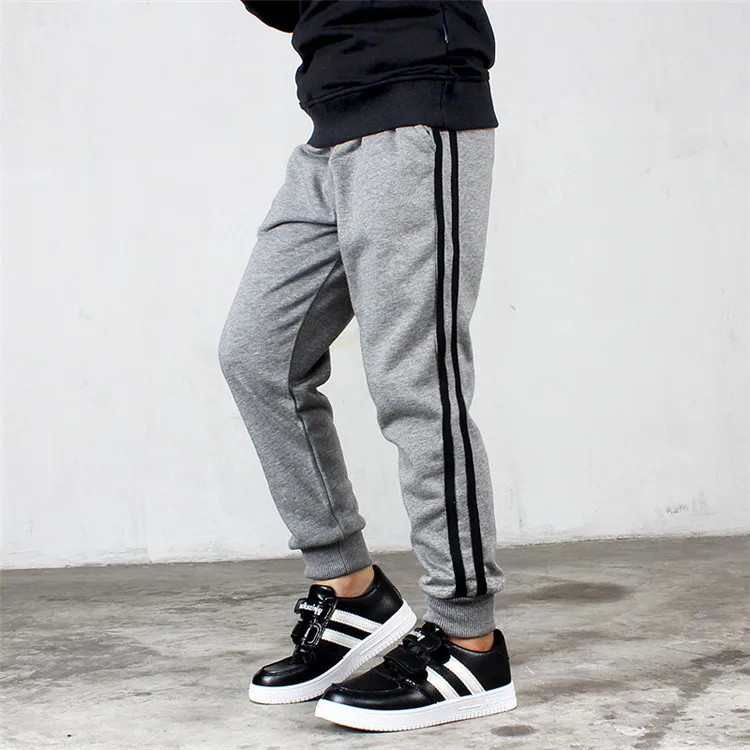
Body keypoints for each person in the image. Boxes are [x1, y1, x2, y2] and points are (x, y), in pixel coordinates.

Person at [218, 0, 516, 732]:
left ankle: (468, 640)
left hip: (416, 104)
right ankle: (353, 593)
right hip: (330, 122)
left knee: (416, 382)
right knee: (258, 357)